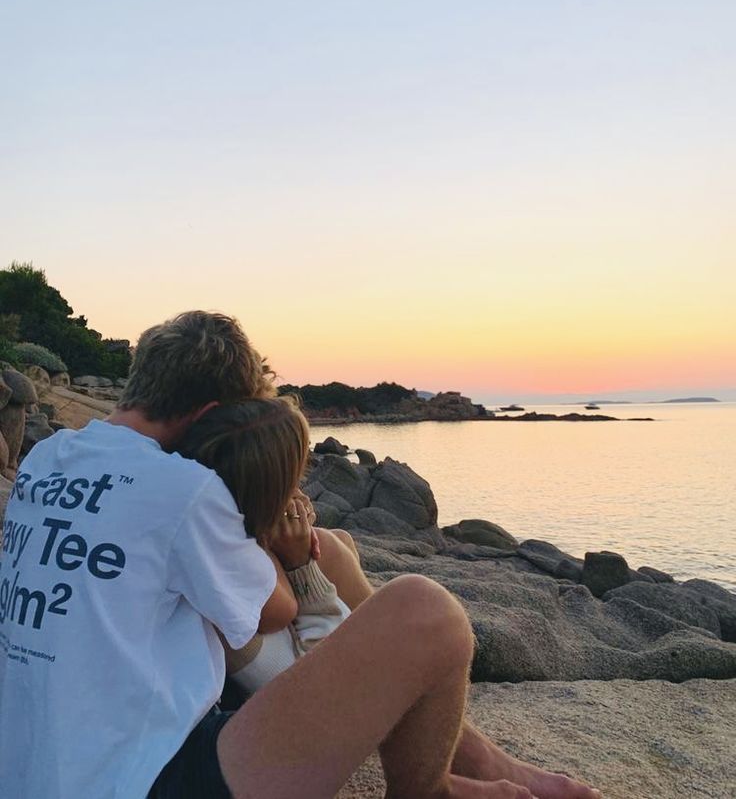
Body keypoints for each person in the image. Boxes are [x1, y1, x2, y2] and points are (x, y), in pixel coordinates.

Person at [0, 309, 602, 799]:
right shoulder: (182, 491)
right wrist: (287, 547)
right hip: (145, 782)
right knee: (427, 609)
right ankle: (430, 790)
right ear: (213, 414)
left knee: (332, 551)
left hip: (38, 766)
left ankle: (475, 755)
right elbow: (277, 610)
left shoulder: (49, 457)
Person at [178, 398, 352, 696]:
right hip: (311, 704)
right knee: (418, 601)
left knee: (338, 541)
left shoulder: (213, 530)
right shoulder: (223, 584)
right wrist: (302, 568)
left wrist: (286, 513)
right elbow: (321, 691)